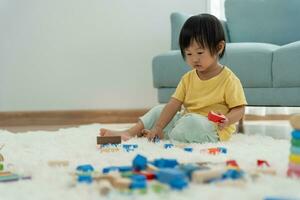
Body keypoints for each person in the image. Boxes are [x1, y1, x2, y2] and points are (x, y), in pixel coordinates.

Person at [100, 13, 247, 143]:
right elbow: (173, 104)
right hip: (186, 120)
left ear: (219, 47)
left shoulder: (229, 79)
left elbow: (239, 109)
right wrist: (158, 126)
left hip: (213, 129)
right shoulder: (188, 78)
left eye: (200, 53)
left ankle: (165, 135)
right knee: (160, 110)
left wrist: (227, 120)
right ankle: (129, 133)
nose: (194, 59)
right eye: (188, 54)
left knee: (191, 122)